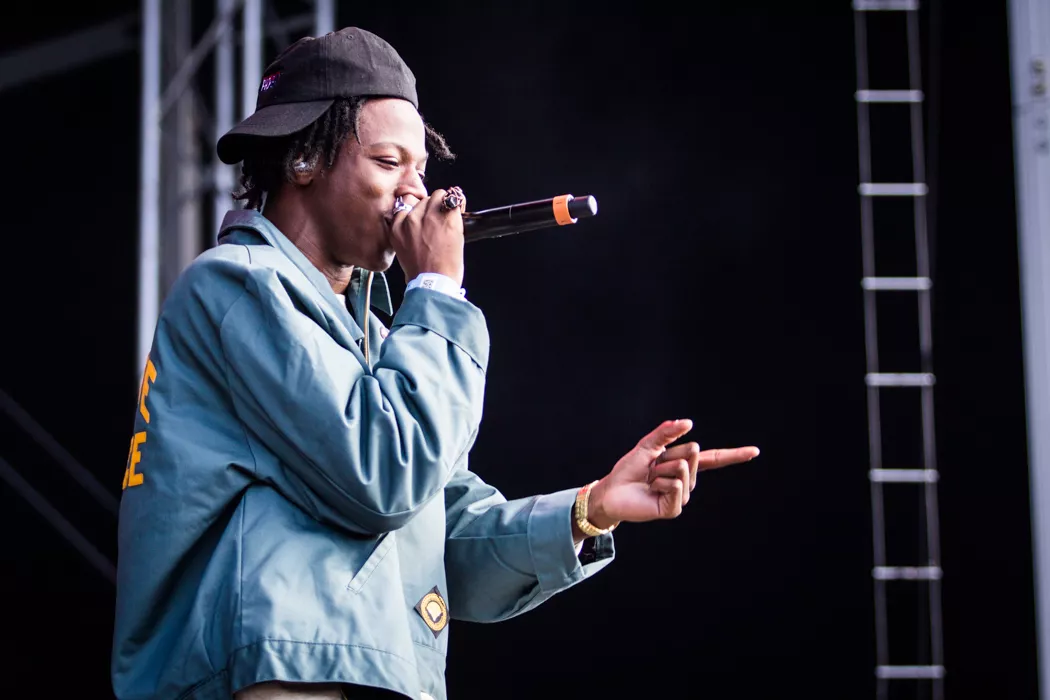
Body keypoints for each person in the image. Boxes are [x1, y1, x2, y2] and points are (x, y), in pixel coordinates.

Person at [111, 27, 759, 700]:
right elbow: (385, 474)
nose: (414, 195)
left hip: (368, 673)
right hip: (276, 676)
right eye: (389, 162)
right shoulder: (238, 285)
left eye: (421, 170)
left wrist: (590, 510)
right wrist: (438, 290)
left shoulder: (379, 336)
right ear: (303, 158)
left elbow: (441, 537)